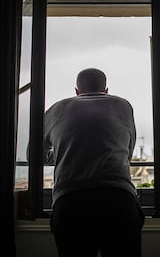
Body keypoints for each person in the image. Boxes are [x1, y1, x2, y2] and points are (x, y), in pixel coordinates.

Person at [43, 68, 145, 257]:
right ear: (106, 90)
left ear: (76, 91)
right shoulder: (122, 105)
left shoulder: (57, 108)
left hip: (71, 203)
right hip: (118, 201)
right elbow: (127, 152)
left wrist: (61, 154)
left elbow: (33, 153)